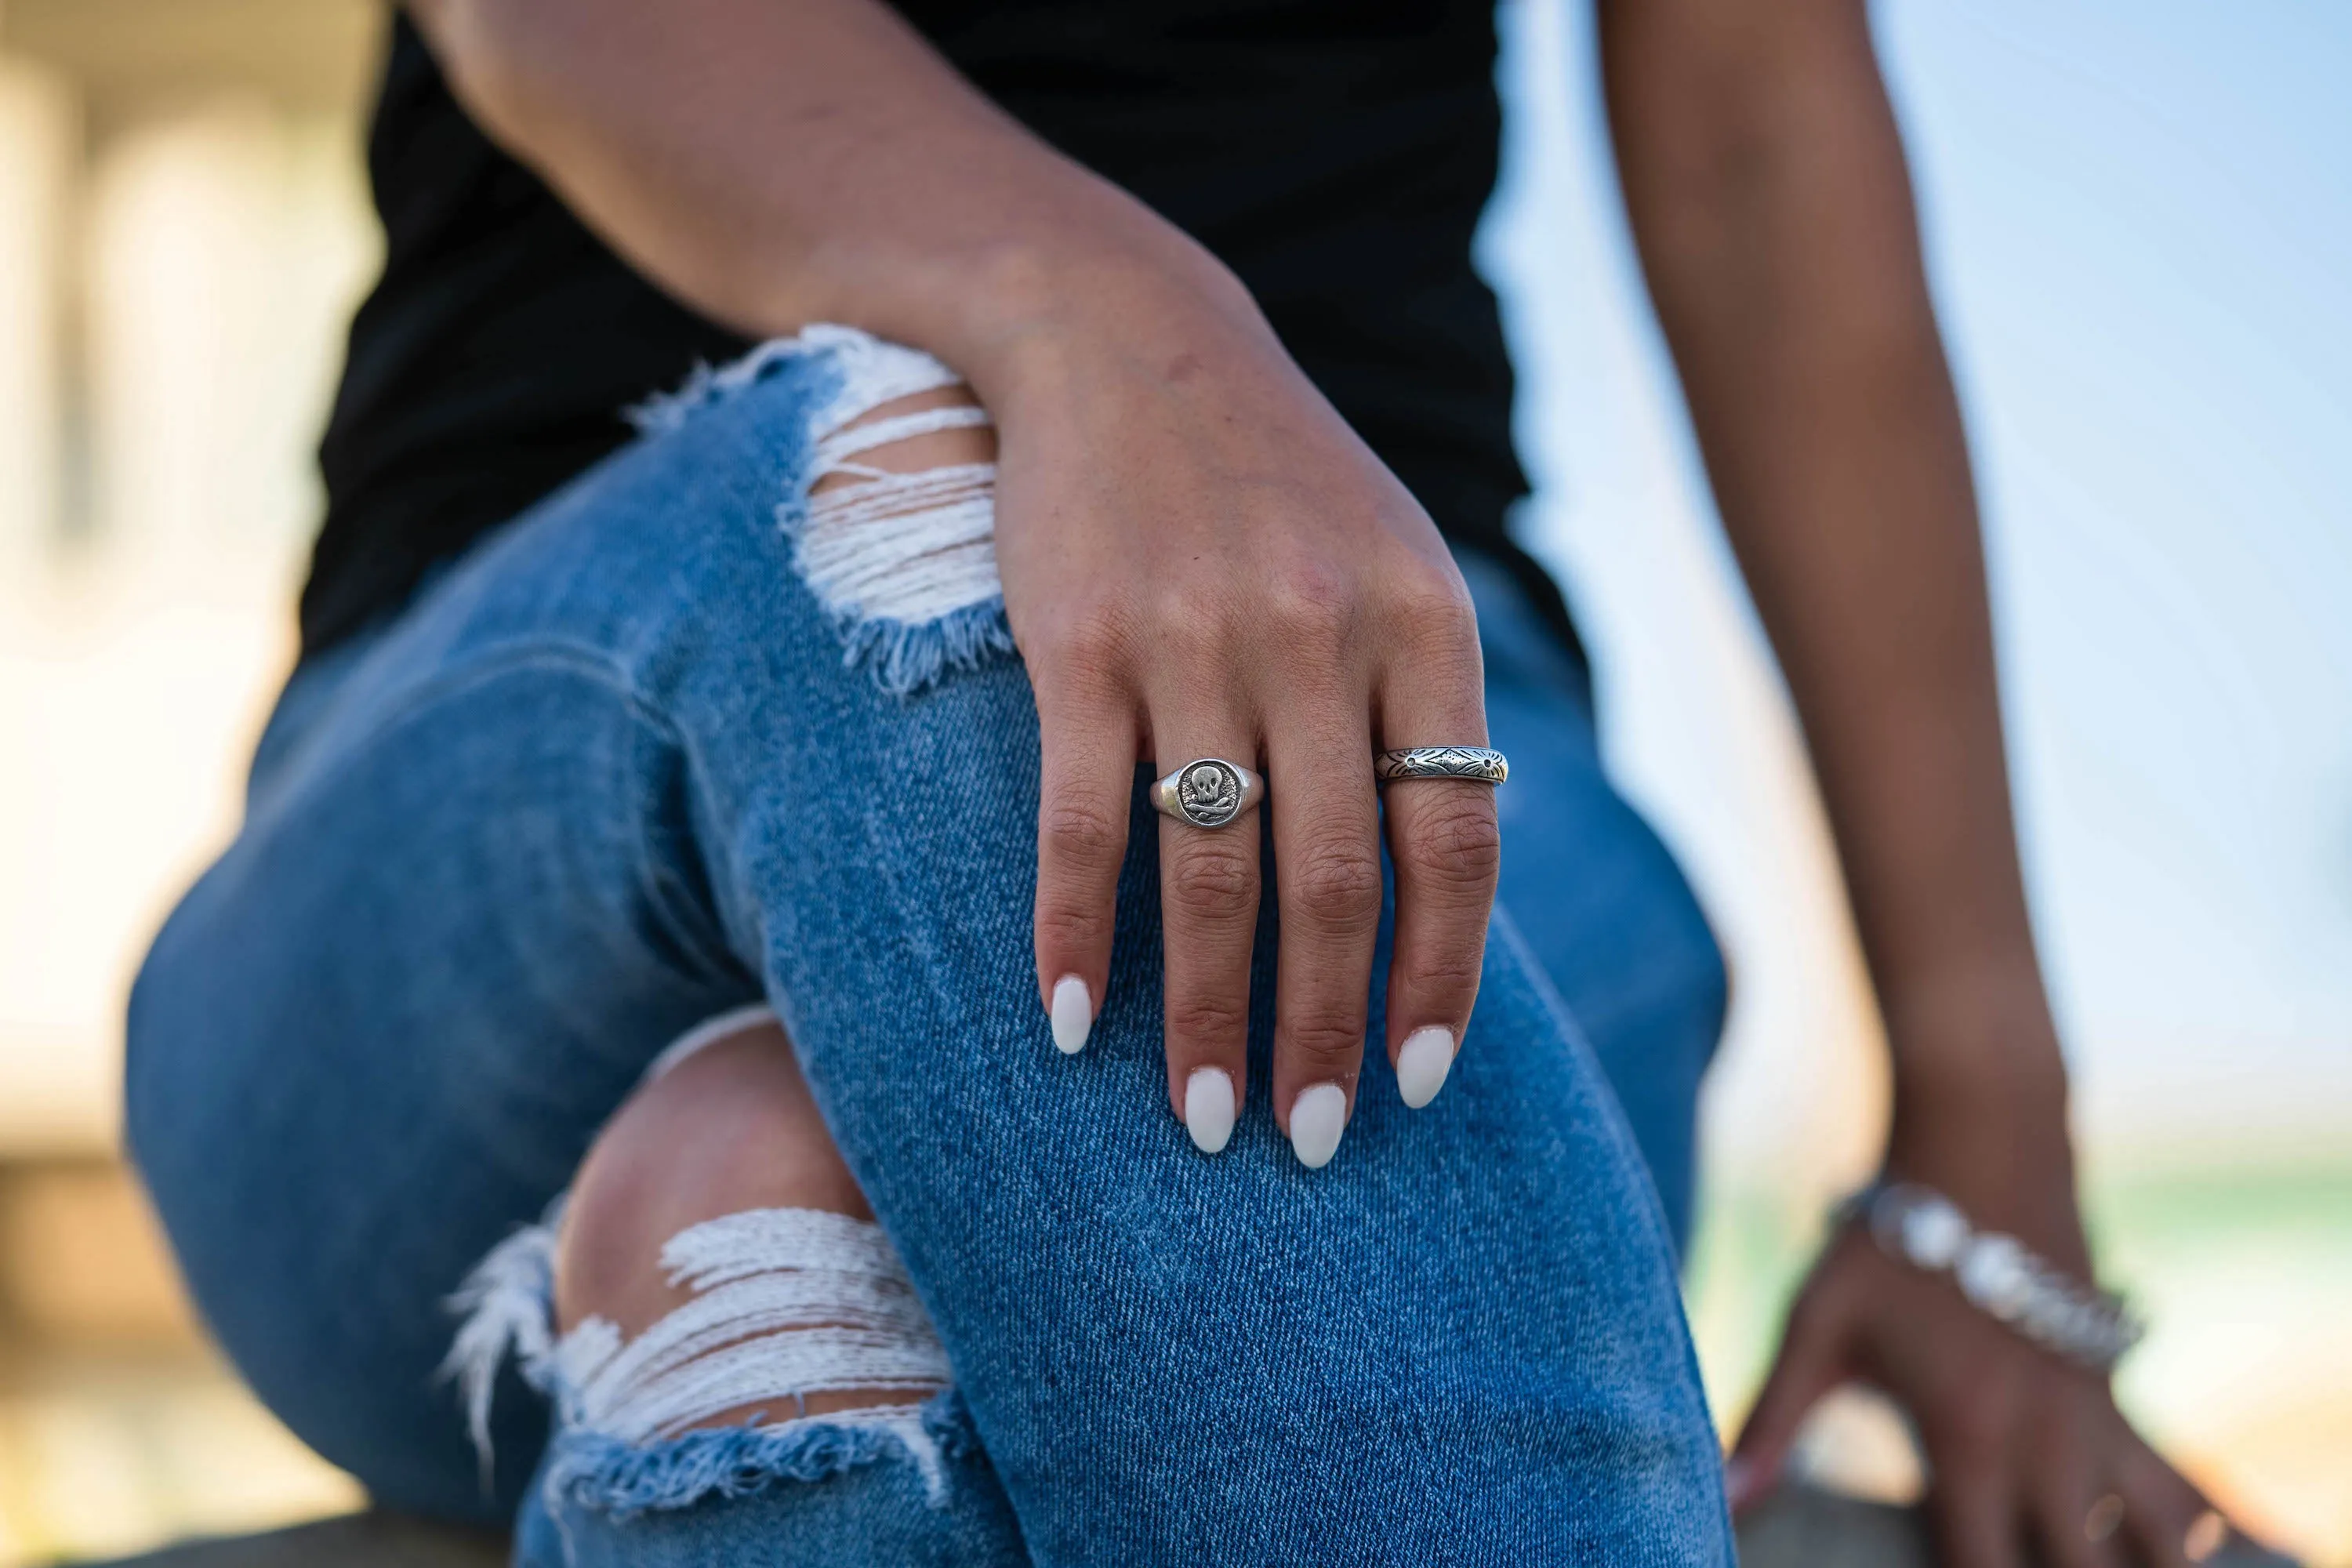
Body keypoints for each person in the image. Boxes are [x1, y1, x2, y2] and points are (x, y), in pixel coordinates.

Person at [124, 0, 2223, 1563]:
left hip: (1425, 731)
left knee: (769, 1206)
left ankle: (765, 1278)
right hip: (509, 853)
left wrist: (1983, 1131)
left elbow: (1760, 121)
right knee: (930, 528)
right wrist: (1093, 326)